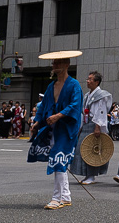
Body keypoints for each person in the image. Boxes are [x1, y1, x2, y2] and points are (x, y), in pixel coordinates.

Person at [30, 51, 84, 208]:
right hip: (53, 127)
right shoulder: (51, 86)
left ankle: (56, 198)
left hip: (67, 128)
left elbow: (75, 105)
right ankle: (65, 196)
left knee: (58, 158)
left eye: (57, 63)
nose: (54, 65)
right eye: (54, 63)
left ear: (66, 65)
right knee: (59, 159)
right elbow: (44, 106)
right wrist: (37, 121)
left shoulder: (74, 85)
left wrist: (59, 115)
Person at [70, 70, 112, 184]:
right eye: (87, 79)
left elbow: (101, 112)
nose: (87, 81)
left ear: (97, 82)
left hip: (94, 125)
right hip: (86, 124)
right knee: (82, 150)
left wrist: (98, 127)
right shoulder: (87, 95)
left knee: (92, 151)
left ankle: (91, 176)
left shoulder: (101, 95)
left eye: (90, 79)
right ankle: (86, 174)